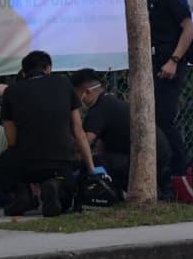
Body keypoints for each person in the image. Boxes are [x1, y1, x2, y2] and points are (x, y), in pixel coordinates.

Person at [0, 51, 97, 218]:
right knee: (64, 202)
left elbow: (12, 139)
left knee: (6, 159)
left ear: (24, 72)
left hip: (26, 162)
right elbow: (78, 130)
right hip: (60, 160)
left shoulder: (11, 91)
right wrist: (92, 169)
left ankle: (24, 193)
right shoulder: (64, 84)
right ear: (48, 68)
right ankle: (56, 189)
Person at [69, 69, 178, 198]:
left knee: (94, 164)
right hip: (158, 158)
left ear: (87, 92)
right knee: (99, 160)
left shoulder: (99, 110)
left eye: (75, 96)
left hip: (150, 160)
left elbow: (82, 144)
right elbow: (102, 146)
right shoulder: (109, 101)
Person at [143, 0, 193, 170]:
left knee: (164, 118)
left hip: (170, 61)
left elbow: (188, 29)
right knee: (154, 118)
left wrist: (174, 60)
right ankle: (164, 173)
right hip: (153, 61)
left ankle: (179, 171)